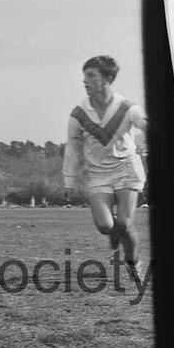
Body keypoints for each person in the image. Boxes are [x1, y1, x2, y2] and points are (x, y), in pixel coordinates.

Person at [63, 54, 148, 271]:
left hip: (126, 169)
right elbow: (72, 147)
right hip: (97, 173)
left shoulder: (127, 108)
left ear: (107, 79)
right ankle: (115, 232)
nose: (85, 81)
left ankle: (133, 262)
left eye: (91, 75)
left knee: (125, 223)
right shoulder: (79, 113)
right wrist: (69, 180)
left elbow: (146, 124)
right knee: (105, 225)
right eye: (85, 76)